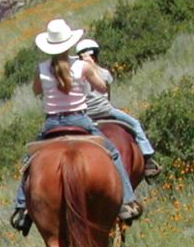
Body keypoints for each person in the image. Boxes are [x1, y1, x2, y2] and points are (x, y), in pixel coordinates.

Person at [9, 18, 142, 234]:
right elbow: (100, 86)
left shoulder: (41, 68)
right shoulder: (82, 66)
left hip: (52, 122)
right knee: (113, 153)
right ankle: (127, 201)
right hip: (80, 120)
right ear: (70, 43)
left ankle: (22, 208)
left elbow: (36, 91)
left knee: (29, 162)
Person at [75, 39, 161, 177]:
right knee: (135, 124)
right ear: (96, 56)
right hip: (106, 111)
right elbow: (107, 96)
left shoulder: (77, 75)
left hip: (86, 115)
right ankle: (148, 158)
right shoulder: (104, 73)